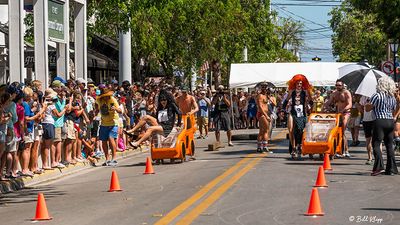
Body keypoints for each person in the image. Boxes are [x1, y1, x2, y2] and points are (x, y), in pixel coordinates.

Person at [365, 76, 399, 176]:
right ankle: (391, 168)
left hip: (379, 121)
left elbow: (368, 108)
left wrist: (367, 103)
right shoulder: (392, 97)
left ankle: (379, 167)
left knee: (376, 143)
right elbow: (394, 109)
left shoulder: (377, 95)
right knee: (389, 145)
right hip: (390, 121)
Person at [283, 75, 313, 160]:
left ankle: (299, 145)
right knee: (291, 130)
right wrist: (282, 110)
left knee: (301, 131)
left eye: (300, 83)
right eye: (297, 83)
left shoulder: (305, 92)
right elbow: (286, 101)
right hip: (292, 113)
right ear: (294, 84)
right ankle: (293, 148)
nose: (299, 84)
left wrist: (309, 102)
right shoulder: (291, 91)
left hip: (302, 114)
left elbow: (311, 102)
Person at [323, 80, 352, 157]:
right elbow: (329, 102)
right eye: (336, 85)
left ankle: (346, 150)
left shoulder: (346, 93)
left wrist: (343, 110)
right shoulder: (334, 93)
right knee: (335, 131)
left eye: (339, 85)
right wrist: (325, 106)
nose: (338, 86)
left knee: (342, 131)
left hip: (346, 113)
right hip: (337, 114)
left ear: (342, 85)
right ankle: (338, 149)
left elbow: (350, 104)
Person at [95, 86, 122, 166]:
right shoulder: (99, 101)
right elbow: (97, 109)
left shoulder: (113, 100)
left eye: (108, 96)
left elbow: (120, 111)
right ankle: (107, 159)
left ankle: (114, 158)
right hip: (103, 123)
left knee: (111, 139)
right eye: (105, 96)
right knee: (103, 141)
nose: (107, 98)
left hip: (113, 122)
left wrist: (115, 109)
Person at [256, 82, 272, 153]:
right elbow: (260, 107)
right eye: (263, 87)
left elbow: (273, 104)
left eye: (265, 87)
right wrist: (266, 116)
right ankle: (264, 147)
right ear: (261, 88)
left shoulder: (266, 96)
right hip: (262, 114)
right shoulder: (260, 96)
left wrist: (269, 98)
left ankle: (260, 147)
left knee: (262, 131)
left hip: (265, 113)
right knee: (265, 130)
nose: (264, 88)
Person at [359, 95, 375, 165]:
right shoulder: (363, 97)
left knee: (377, 140)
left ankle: (376, 158)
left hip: (375, 120)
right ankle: (370, 157)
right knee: (368, 140)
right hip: (366, 120)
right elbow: (362, 108)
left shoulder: (376, 96)